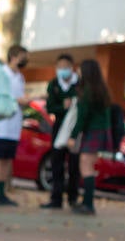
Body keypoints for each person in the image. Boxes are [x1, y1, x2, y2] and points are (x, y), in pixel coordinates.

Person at [68, 58, 114, 216]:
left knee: (85, 165)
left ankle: (88, 204)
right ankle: (87, 202)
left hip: (92, 131)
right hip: (100, 131)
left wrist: (74, 136)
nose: (77, 72)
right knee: (89, 165)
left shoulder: (87, 90)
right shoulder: (101, 89)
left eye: (80, 69)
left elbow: (82, 116)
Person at [0, 45, 28, 206]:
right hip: (0, 125)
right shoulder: (1, 73)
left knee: (6, 160)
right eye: (23, 56)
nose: (25, 60)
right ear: (14, 56)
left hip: (14, 125)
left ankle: (1, 193)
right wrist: (17, 100)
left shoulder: (20, 77)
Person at [43, 53, 80, 209]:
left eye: (66, 67)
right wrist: (62, 108)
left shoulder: (79, 85)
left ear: (72, 68)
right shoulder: (54, 85)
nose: (63, 70)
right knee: (56, 162)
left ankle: (73, 198)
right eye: (60, 67)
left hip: (75, 128)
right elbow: (50, 107)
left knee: (74, 164)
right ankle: (56, 198)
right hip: (59, 126)